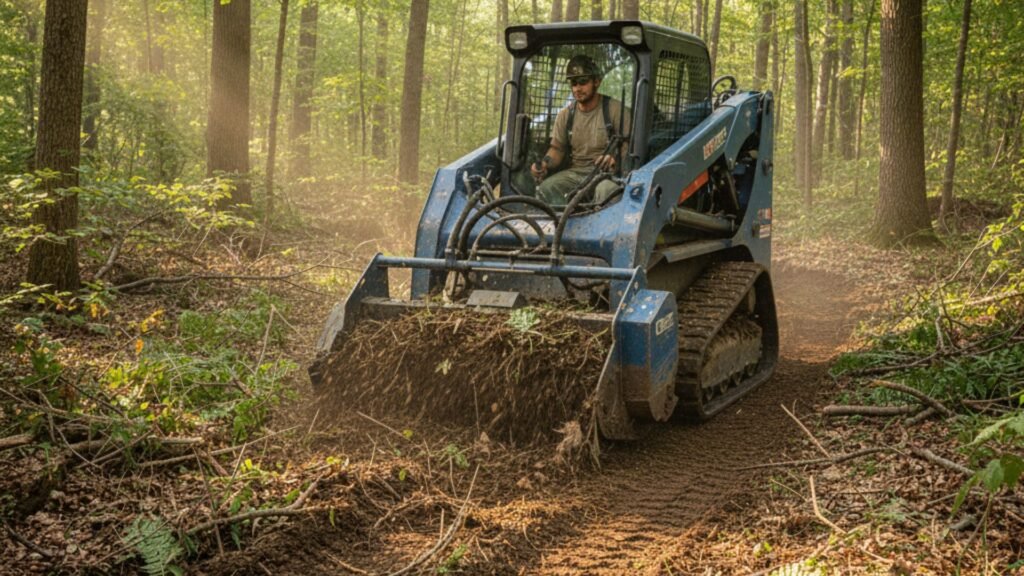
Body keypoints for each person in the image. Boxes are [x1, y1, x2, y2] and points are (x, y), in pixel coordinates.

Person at [530, 54, 631, 205]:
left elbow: (629, 146)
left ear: (596, 82)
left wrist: (615, 160)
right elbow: (557, 149)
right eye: (574, 83)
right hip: (576, 174)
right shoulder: (565, 115)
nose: (577, 88)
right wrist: (544, 164)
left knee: (606, 191)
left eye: (583, 82)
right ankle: (560, 225)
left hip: (607, 175)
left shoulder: (615, 110)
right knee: (547, 188)